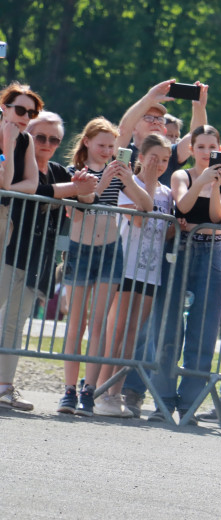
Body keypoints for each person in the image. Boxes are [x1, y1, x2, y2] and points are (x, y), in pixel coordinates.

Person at [0, 110, 97, 412]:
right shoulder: (12, 164)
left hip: (36, 258)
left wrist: (85, 185)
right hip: (7, 249)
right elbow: (34, 190)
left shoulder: (57, 170)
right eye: (40, 136)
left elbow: (86, 201)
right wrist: (74, 188)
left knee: (15, 326)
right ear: (27, 136)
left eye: (54, 139)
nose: (47, 143)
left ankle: (4, 387)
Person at [60, 117, 153, 417]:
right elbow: (76, 211)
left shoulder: (118, 172)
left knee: (98, 324)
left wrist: (126, 179)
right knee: (76, 323)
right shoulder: (74, 173)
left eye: (112, 146)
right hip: (79, 248)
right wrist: (100, 181)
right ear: (86, 142)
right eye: (101, 145)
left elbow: (146, 206)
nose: (107, 151)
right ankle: (69, 391)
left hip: (110, 250)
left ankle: (90, 389)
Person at [146, 124, 221, 424]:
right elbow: (182, 206)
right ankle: (162, 401)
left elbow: (215, 217)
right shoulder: (180, 175)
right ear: (192, 149)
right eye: (200, 147)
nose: (206, 153)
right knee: (168, 328)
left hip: (211, 250)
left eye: (213, 148)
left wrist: (214, 186)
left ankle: (189, 404)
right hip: (179, 249)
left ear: (220, 149)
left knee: (204, 330)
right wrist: (201, 183)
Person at [94, 133, 175, 418]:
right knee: (116, 332)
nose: (160, 165)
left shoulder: (166, 192)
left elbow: (163, 231)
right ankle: (100, 391)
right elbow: (139, 217)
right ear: (140, 157)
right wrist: (149, 180)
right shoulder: (129, 184)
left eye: (165, 160)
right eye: (154, 158)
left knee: (132, 334)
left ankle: (115, 393)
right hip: (124, 265)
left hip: (150, 269)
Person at [115, 78, 208, 185]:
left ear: (164, 130)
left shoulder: (171, 153)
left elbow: (196, 136)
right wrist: (149, 98)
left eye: (160, 118)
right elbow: (123, 130)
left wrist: (199, 107)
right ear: (134, 127)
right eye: (148, 118)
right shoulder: (124, 151)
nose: (156, 122)